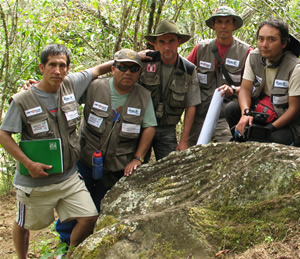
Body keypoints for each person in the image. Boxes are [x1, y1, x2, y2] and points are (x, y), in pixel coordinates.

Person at [0, 44, 113, 258]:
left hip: (68, 177)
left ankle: (69, 253)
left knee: (89, 216)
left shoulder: (70, 85)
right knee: (24, 223)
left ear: (68, 68)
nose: (58, 70)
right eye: (52, 65)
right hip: (35, 181)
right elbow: (3, 135)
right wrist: (28, 164)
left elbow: (97, 70)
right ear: (42, 68)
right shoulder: (23, 99)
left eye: (62, 65)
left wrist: (133, 58)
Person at [55, 48, 157, 245]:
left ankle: (89, 244)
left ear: (139, 73)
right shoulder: (94, 87)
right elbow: (62, 91)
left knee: (100, 207)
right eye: (122, 67)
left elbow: (149, 127)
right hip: (84, 159)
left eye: (133, 69)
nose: (128, 72)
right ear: (113, 68)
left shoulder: (144, 96)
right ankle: (65, 244)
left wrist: (138, 158)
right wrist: (34, 89)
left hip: (117, 165)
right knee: (73, 205)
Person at [225, 19, 300, 146]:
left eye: (271, 40)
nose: (264, 45)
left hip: (288, 121)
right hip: (263, 111)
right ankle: (241, 143)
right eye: (261, 39)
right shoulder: (254, 57)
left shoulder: (295, 67)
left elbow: (294, 109)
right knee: (231, 109)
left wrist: (269, 128)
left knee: (273, 139)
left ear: (283, 43)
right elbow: (245, 89)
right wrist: (246, 114)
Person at [187, 6, 252, 146]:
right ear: (213, 25)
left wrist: (233, 89)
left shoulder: (246, 52)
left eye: (228, 21)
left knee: (226, 151)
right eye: (219, 22)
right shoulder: (201, 49)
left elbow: (253, 87)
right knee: (188, 153)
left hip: (225, 114)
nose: (223, 26)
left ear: (234, 25)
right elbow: (182, 72)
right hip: (200, 113)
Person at [139, 20, 201, 161]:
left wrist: (184, 140)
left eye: (171, 41)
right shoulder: (144, 62)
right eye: (162, 42)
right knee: (134, 168)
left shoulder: (189, 70)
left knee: (170, 169)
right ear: (155, 44)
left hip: (167, 129)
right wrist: (136, 56)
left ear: (179, 42)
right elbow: (122, 80)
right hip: (141, 127)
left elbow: (191, 105)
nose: (167, 47)